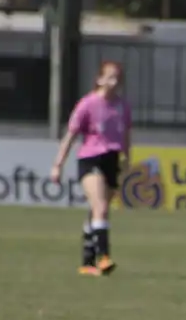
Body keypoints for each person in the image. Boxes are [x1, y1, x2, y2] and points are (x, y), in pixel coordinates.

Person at [50, 61, 131, 276]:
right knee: (101, 207)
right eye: (110, 77)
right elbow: (70, 135)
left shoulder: (123, 106)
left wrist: (127, 158)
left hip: (112, 160)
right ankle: (104, 257)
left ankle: (87, 262)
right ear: (99, 79)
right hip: (91, 158)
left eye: (118, 78)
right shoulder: (87, 104)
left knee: (97, 211)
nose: (114, 82)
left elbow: (126, 134)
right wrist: (58, 165)